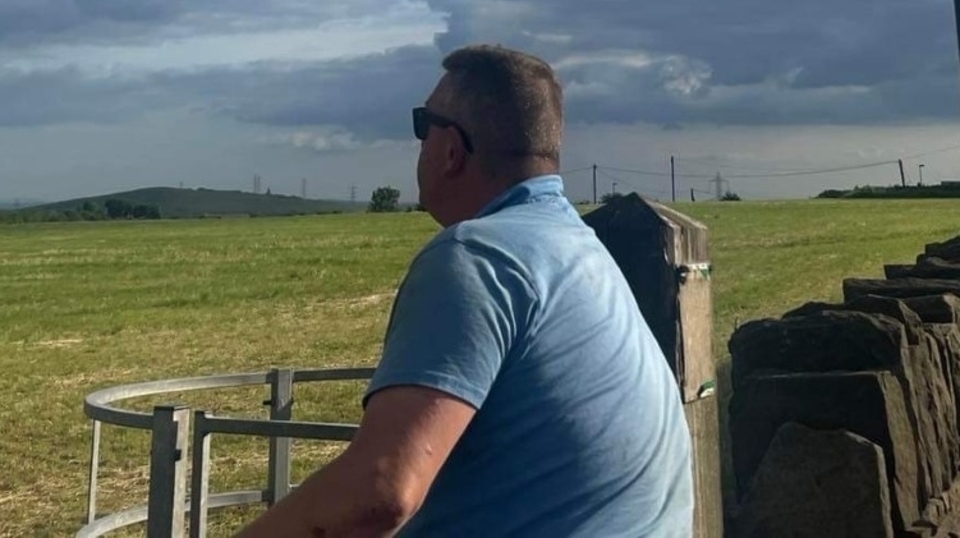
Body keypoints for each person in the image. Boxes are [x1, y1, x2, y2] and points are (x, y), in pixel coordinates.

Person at [237, 44, 693, 537]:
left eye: (422, 124)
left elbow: (381, 490)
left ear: (451, 149)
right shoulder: (579, 252)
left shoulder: (478, 256)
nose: (419, 142)